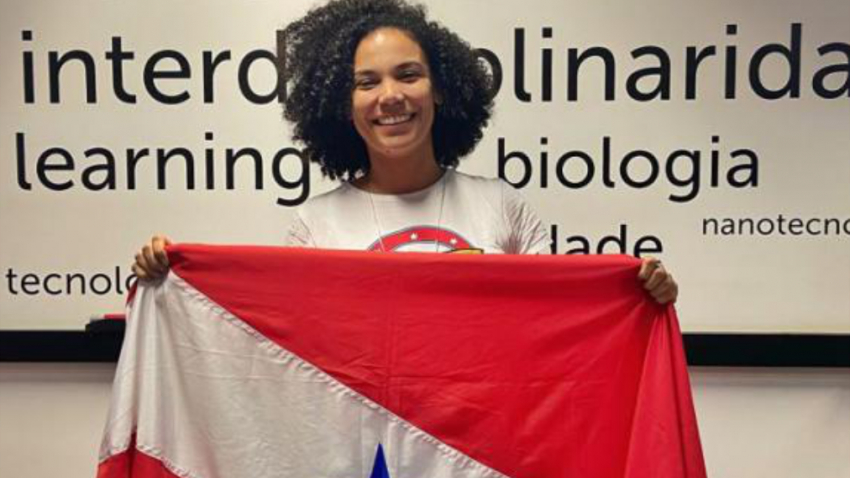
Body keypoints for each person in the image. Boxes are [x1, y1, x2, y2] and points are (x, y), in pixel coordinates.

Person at [132, 0, 678, 303]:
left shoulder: (501, 207)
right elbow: (282, 339)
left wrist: (637, 300)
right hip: (367, 467)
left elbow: (561, 321)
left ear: (441, 89)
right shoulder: (315, 223)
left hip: (482, 462)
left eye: (408, 75)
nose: (389, 96)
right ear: (343, 107)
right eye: (366, 82)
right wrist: (171, 277)